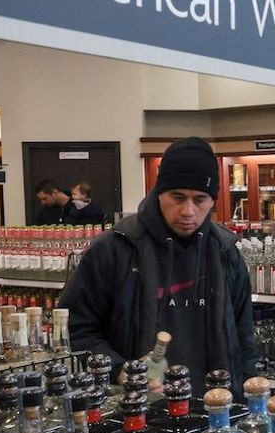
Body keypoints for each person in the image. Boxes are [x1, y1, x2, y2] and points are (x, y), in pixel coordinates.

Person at [60, 137, 255, 398]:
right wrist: (119, 370)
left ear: (213, 201)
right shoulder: (114, 249)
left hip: (215, 412)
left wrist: (247, 401)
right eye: (177, 197)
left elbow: (244, 338)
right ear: (158, 192)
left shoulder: (225, 251)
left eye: (200, 199)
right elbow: (76, 326)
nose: (188, 211)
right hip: (136, 414)